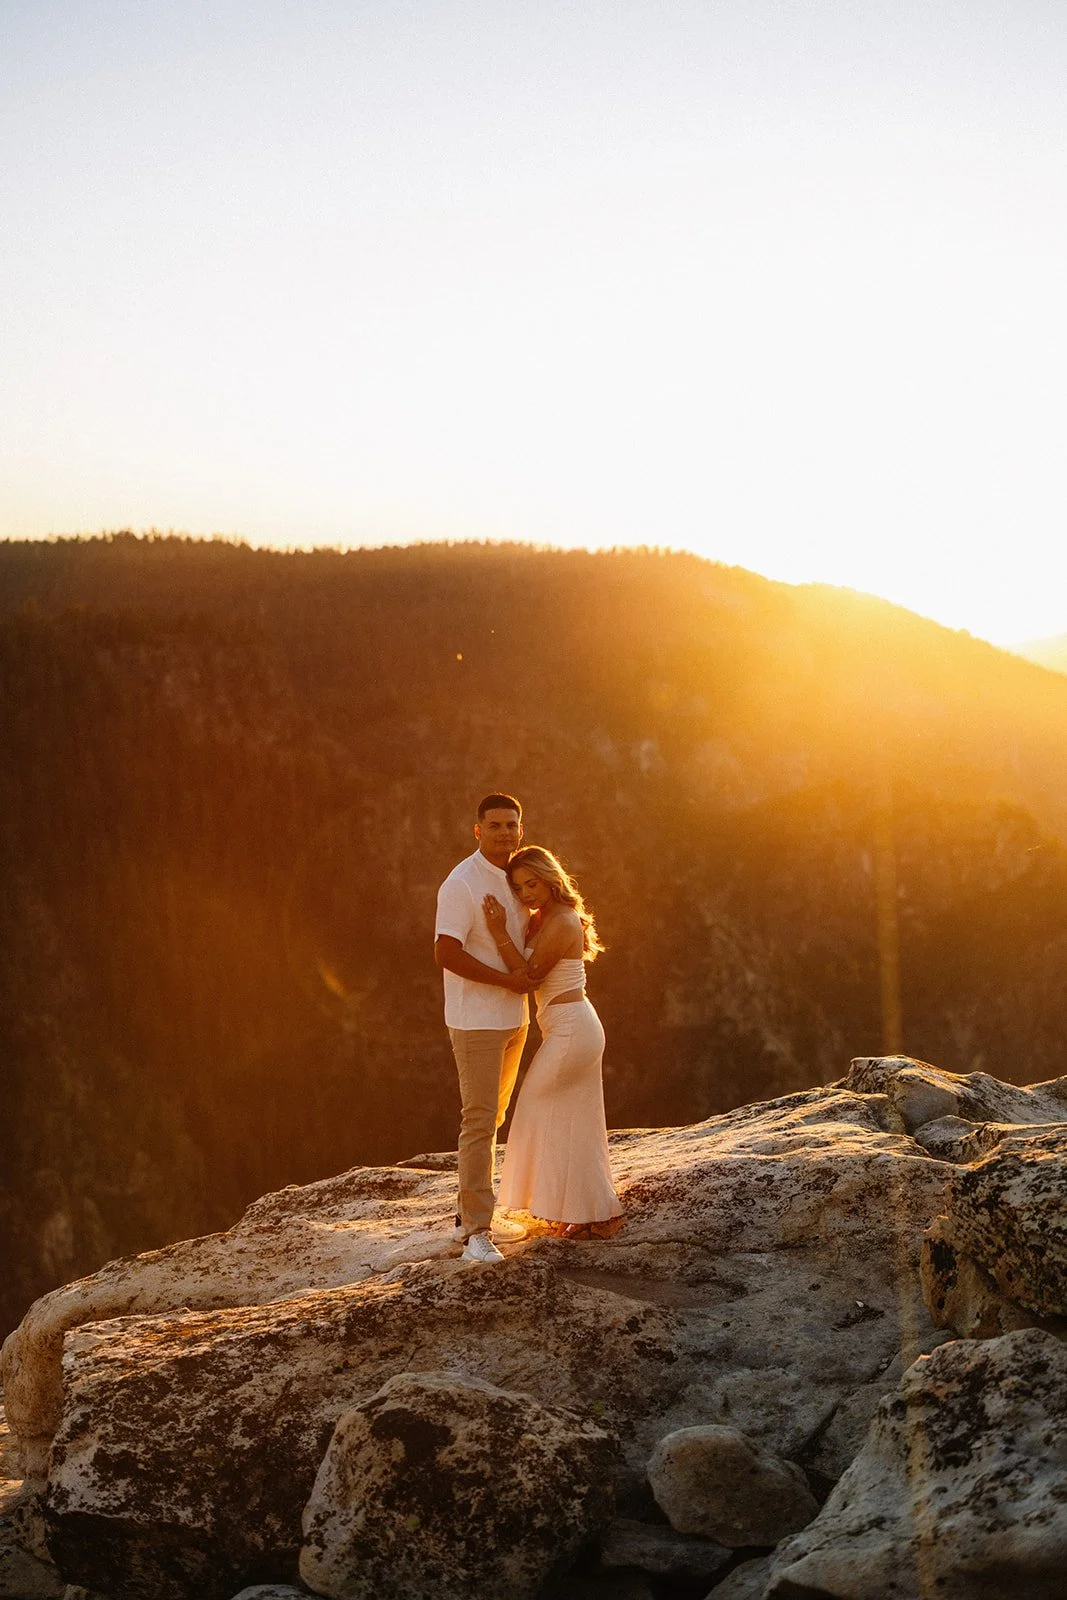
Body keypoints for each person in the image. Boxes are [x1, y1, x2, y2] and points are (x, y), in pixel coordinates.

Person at [483, 845, 623, 1240]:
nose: (526, 893)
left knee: (533, 1104)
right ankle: (593, 1213)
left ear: (549, 878)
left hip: (572, 1030)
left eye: (532, 883)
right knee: (577, 1121)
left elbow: (528, 977)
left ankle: (588, 1210)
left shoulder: (561, 921)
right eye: (518, 887)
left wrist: (496, 932)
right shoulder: (543, 918)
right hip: (567, 1027)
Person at [434, 794, 537, 1264]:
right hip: (476, 1019)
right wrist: (506, 982)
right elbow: (446, 953)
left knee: (494, 1118)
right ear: (477, 830)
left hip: (514, 1018)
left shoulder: (517, 878)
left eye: (511, 824)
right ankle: (474, 1231)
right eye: (494, 825)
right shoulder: (461, 882)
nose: (504, 832)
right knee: (478, 1121)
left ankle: (473, 1212)